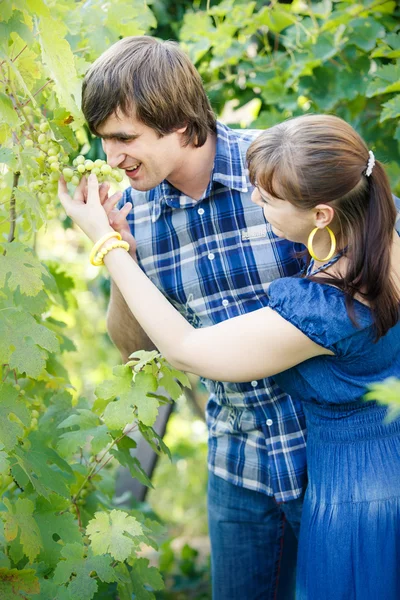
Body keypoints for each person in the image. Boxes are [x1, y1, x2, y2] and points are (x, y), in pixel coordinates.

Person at [59, 112, 400, 599]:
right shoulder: (384, 238)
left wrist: (106, 243)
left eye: (269, 198)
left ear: (322, 214)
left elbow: (186, 350)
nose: (255, 201)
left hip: (357, 499)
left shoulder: (331, 304)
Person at [78, 36, 305, 599]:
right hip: (238, 468)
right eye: (104, 139)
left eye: (124, 138)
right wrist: (120, 257)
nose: (111, 157)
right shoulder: (132, 209)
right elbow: (135, 353)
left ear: (179, 123)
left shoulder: (280, 172)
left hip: (328, 454)